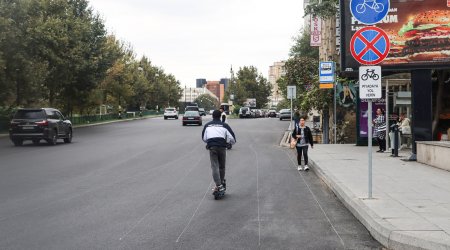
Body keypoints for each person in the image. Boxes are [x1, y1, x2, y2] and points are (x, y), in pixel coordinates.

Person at [202, 110, 236, 192]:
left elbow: (204, 138)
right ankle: (221, 183)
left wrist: (210, 142)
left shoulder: (207, 125)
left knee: (214, 166)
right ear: (220, 116)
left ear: (212, 116)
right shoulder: (225, 125)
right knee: (222, 166)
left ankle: (218, 185)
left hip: (212, 147)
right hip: (222, 147)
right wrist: (229, 143)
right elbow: (233, 139)